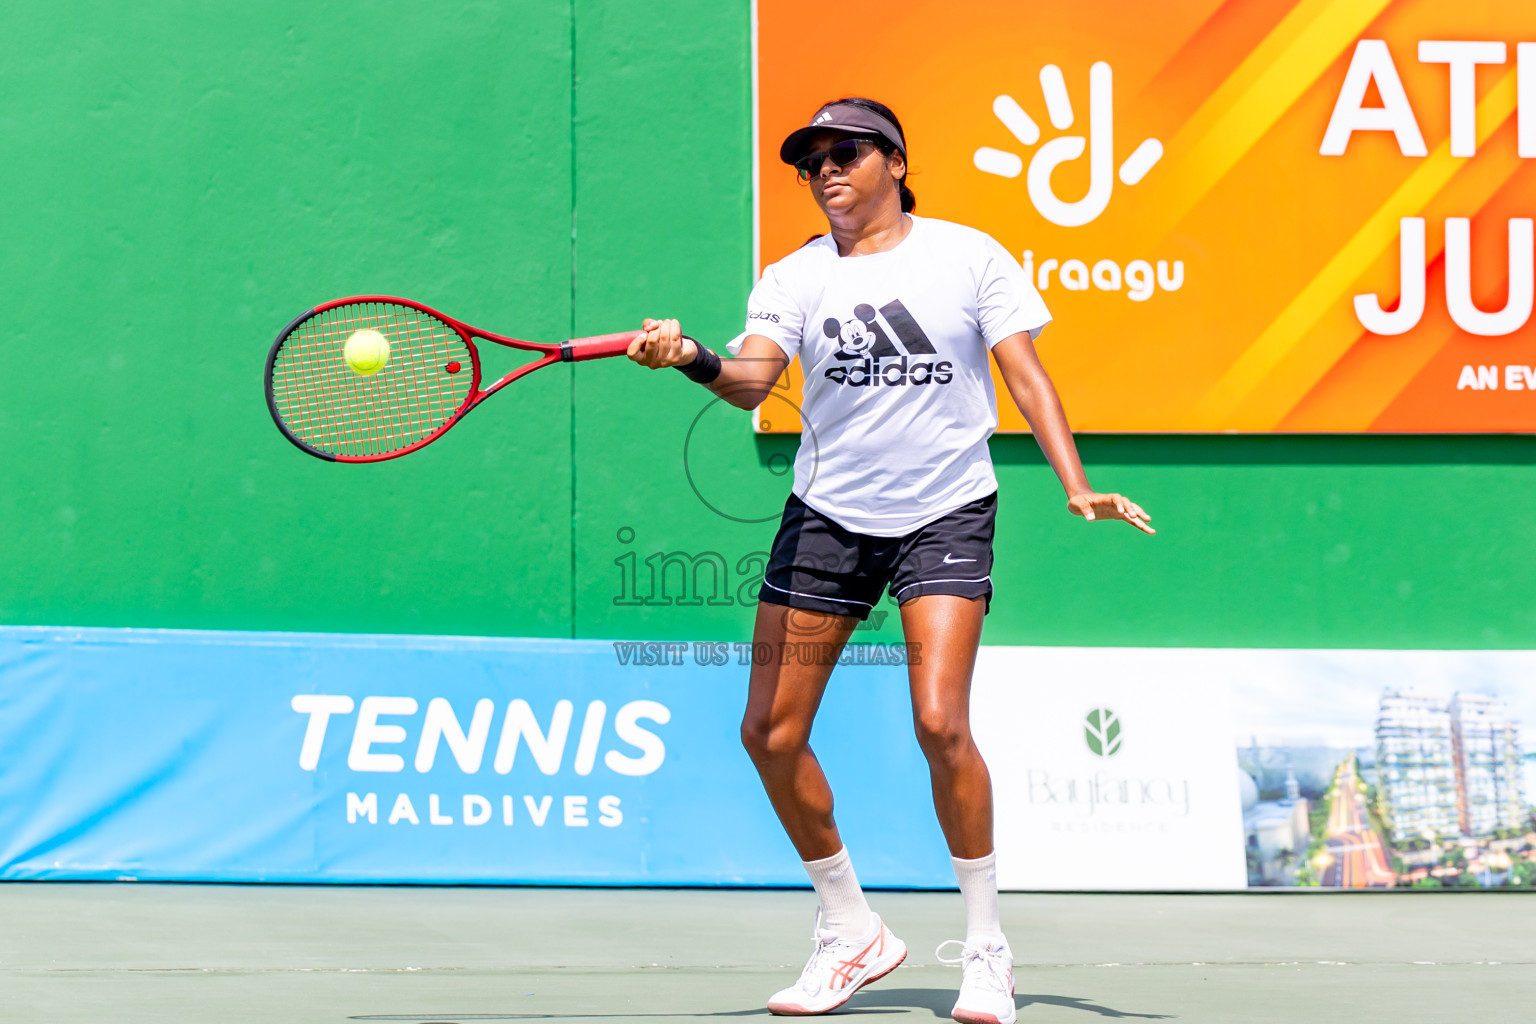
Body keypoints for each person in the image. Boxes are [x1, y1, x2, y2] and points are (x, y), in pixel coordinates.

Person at [627, 97, 1153, 1023]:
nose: (826, 170)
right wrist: (689, 357)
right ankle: (850, 930)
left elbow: (1023, 372)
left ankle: (986, 948)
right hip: (828, 517)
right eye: (811, 161)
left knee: (941, 722)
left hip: (946, 508)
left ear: (897, 161)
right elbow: (752, 378)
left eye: (846, 153)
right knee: (769, 733)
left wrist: (1075, 482)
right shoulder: (792, 277)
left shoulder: (969, 255)